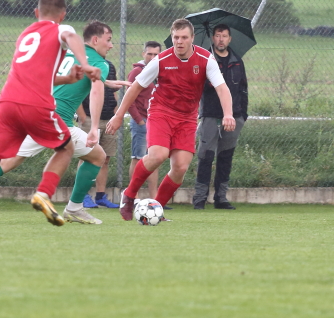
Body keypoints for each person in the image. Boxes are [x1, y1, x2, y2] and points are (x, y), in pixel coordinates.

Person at [0, 20, 114, 226]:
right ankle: (74, 208)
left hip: (30, 110)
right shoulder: (100, 63)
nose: (111, 45)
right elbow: (96, 91)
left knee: (5, 162)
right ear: (95, 40)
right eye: (108, 40)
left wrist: (105, 82)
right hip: (56, 119)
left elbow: (58, 80)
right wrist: (94, 127)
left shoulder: (65, 54)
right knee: (97, 156)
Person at [106, 19, 235, 221]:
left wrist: (228, 114)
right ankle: (129, 195)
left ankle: (156, 209)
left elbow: (222, 88)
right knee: (158, 155)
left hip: (187, 118)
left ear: (192, 38)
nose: (179, 41)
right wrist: (118, 115)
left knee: (181, 167)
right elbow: (136, 87)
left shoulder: (205, 59)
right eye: (176, 37)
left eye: (184, 37)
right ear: (172, 38)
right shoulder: (161, 60)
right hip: (161, 112)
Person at [194, 24, 249, 210]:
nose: (221, 39)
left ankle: (221, 198)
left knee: (225, 157)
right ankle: (200, 198)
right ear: (213, 38)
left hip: (234, 118)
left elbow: (243, 89)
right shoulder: (206, 60)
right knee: (205, 156)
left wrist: (242, 115)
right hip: (210, 115)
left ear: (229, 39)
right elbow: (198, 86)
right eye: (218, 36)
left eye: (224, 36)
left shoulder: (237, 61)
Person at [80, 54, 121, 209]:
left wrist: (116, 113)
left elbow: (113, 92)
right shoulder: (86, 65)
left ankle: (100, 196)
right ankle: (82, 195)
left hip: (109, 119)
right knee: (86, 157)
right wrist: (83, 117)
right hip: (90, 119)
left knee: (105, 159)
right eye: (107, 42)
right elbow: (79, 91)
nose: (110, 45)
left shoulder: (109, 66)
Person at [126, 41, 163, 202]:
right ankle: (132, 196)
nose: (153, 57)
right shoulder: (137, 72)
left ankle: (154, 197)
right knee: (138, 158)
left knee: (155, 159)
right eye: (150, 54)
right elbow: (129, 98)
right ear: (143, 54)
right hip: (141, 121)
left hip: (156, 122)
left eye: (156, 54)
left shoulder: (162, 72)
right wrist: (139, 121)